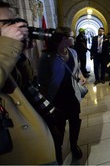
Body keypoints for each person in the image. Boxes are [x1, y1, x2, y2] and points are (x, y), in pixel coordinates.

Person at [0, 1, 57, 164]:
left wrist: (19, 53)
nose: (15, 27)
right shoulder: (4, 51)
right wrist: (9, 45)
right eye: (8, 23)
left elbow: (24, 82)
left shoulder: (5, 55)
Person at [38, 26, 86, 165]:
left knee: (75, 121)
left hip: (73, 95)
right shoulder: (47, 57)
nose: (73, 37)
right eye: (71, 36)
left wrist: (81, 76)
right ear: (63, 39)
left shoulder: (73, 52)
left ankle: (73, 145)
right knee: (58, 127)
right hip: (56, 99)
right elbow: (42, 81)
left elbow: (78, 69)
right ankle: (57, 151)